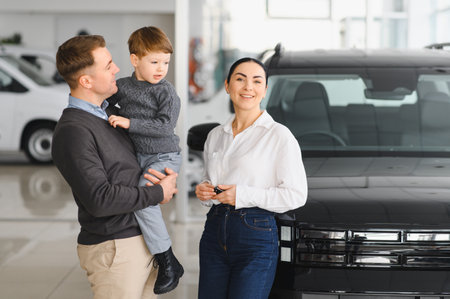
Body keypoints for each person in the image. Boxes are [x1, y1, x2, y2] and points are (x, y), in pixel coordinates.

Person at [51, 34, 178, 299]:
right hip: (114, 247)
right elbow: (99, 199)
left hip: (140, 241)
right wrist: (156, 193)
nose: (117, 70)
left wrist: (159, 179)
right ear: (86, 81)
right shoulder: (74, 130)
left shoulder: (108, 116)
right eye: (108, 66)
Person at [195, 57, 308, 299]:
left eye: (257, 81)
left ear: (265, 90)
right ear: (227, 86)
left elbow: (296, 194)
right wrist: (204, 191)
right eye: (240, 79)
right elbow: (209, 179)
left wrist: (242, 194)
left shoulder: (279, 136)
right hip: (214, 229)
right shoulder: (215, 135)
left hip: (255, 234)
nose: (248, 87)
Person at [106, 26, 183, 294]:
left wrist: (128, 122)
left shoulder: (166, 92)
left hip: (163, 155)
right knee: (133, 200)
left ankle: (168, 261)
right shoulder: (125, 87)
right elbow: (105, 102)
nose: (161, 68)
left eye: (165, 62)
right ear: (135, 59)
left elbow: (165, 127)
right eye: (154, 61)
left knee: (145, 201)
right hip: (137, 156)